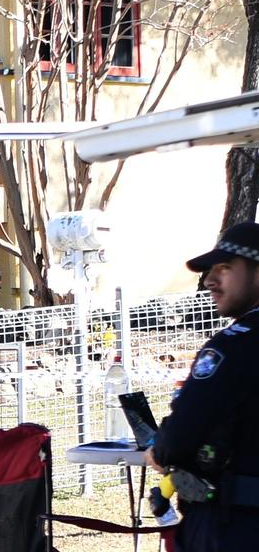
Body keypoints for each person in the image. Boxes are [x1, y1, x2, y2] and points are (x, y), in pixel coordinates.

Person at [144, 222, 259, 551]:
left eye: (225, 268)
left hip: (236, 525)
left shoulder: (233, 347)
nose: (210, 280)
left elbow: (179, 437)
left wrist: (159, 449)